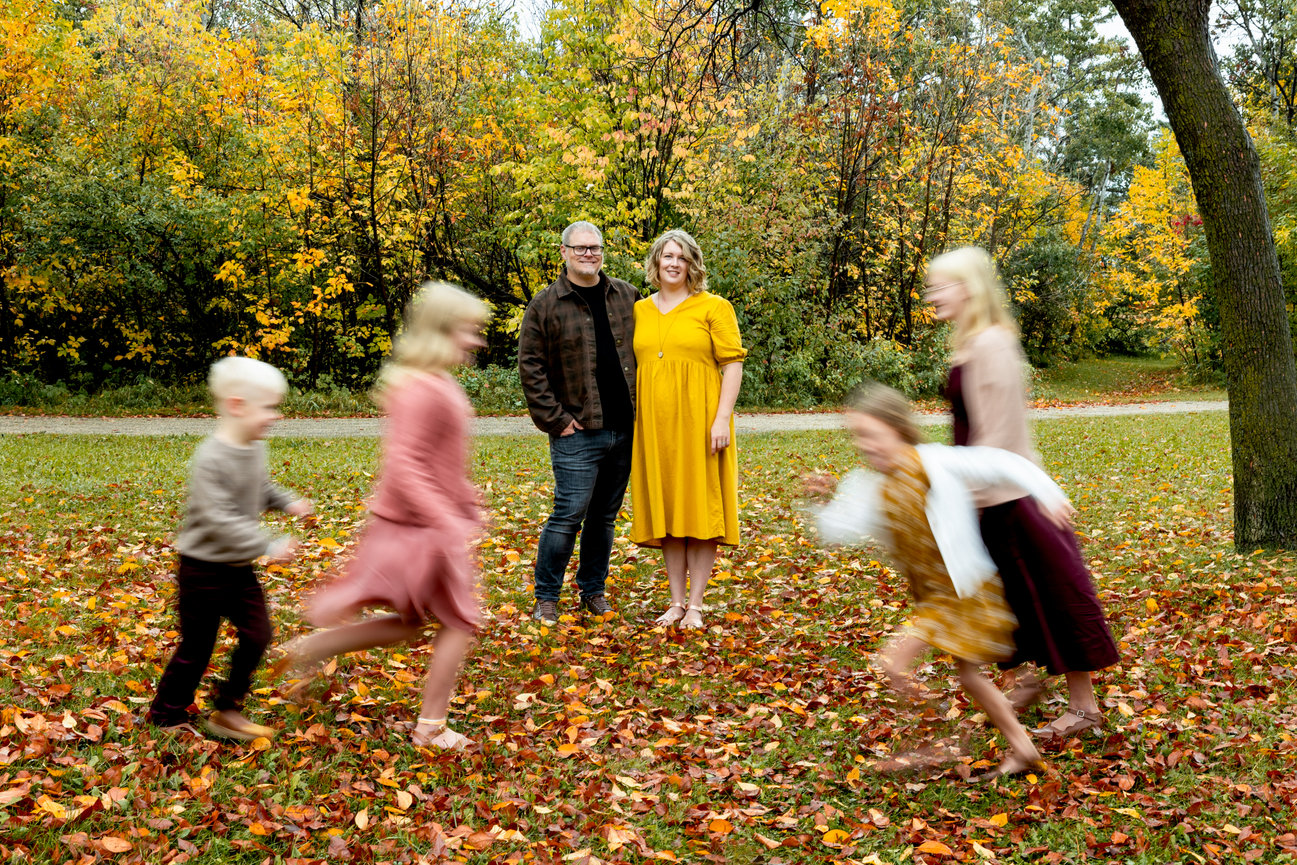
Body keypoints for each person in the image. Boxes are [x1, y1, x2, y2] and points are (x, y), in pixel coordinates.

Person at [810, 383, 1076, 779]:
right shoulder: (870, 488)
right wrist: (819, 501)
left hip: (964, 590)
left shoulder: (936, 462)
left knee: (895, 663)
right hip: (933, 598)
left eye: (871, 435)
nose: (864, 445)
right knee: (968, 676)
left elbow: (1003, 463)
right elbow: (836, 530)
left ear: (895, 428)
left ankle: (935, 742)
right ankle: (1020, 746)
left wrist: (1049, 494)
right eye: (858, 437)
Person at [273, 282, 489, 750]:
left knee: (410, 624)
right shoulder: (421, 388)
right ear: (443, 330)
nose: (478, 340)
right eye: (469, 330)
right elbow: (404, 463)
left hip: (425, 525)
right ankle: (430, 728)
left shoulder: (437, 381)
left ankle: (311, 648)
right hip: (421, 530)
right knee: (459, 623)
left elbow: (438, 459)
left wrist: (464, 499)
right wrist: (445, 520)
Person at [925, 246, 1120, 740]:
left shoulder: (993, 343)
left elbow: (1000, 436)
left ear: (968, 288)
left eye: (941, 285)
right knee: (1007, 601)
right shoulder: (967, 342)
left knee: (1055, 596)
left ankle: (1084, 709)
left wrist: (955, 485)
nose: (933, 295)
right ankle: (1029, 683)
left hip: (1011, 495)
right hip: (981, 495)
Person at [147, 356, 313, 740]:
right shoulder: (211, 458)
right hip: (202, 569)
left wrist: (286, 501)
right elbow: (218, 520)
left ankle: (226, 710)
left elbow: (260, 487)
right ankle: (166, 712)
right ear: (238, 405)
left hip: (237, 570)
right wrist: (268, 544)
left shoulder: (253, 446)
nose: (275, 416)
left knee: (258, 635)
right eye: (269, 407)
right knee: (198, 647)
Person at [518, 221, 638, 625]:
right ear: (564, 252)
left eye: (596, 248)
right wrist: (557, 421)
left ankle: (593, 592)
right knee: (568, 514)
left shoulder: (627, 296)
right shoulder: (545, 305)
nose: (590, 254)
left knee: (604, 517)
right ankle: (546, 597)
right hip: (578, 431)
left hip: (624, 429)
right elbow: (531, 367)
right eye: (581, 248)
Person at [630, 229, 745, 630]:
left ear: (692, 263)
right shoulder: (640, 309)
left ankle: (696, 605)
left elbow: (733, 365)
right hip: (655, 427)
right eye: (667, 256)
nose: (673, 263)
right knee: (669, 512)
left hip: (701, 423)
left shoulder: (714, 307)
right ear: (656, 263)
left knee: (699, 508)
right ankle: (675, 602)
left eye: (681, 257)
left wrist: (721, 419)